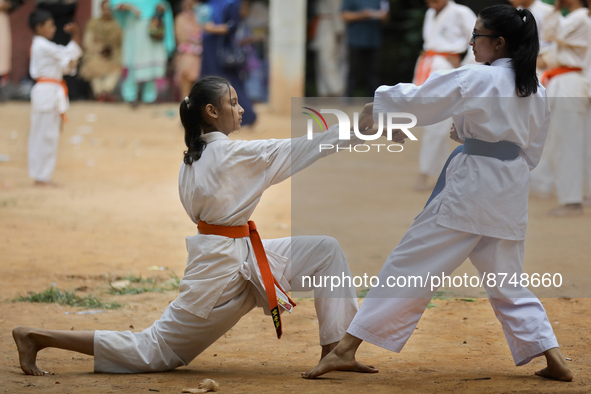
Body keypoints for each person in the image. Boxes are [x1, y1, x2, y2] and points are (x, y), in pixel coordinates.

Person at [12, 76, 402, 375]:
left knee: (324, 251)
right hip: (221, 271)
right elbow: (301, 149)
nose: (241, 109)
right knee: (157, 352)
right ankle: (37, 337)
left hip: (237, 255)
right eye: (233, 103)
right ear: (211, 112)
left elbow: (293, 150)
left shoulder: (192, 160)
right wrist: (362, 128)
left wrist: (361, 129)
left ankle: (335, 350)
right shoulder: (233, 155)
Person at [302, 5, 574, 382]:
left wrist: (375, 105)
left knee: (409, 263)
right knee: (506, 279)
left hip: (472, 186)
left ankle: (345, 349)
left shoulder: (479, 77)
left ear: (498, 43)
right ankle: (554, 356)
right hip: (509, 187)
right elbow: (528, 150)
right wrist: (475, 139)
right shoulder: (536, 88)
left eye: (477, 36)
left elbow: (420, 100)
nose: (472, 43)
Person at [531, 0, 591, 216]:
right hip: (563, 80)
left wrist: (555, 11)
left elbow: (550, 35)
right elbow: (551, 36)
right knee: (575, 141)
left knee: (568, 143)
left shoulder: (582, 17)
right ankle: (581, 195)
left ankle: (572, 201)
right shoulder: (573, 18)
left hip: (570, 82)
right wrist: (556, 10)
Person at [412, 0, 477, 192]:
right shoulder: (430, 14)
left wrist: (465, 64)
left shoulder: (461, 12)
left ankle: (425, 172)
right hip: (430, 67)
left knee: (438, 123)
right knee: (433, 123)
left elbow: (481, 37)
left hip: (449, 71)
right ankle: (441, 172)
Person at [27, 9, 82, 187]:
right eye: (50, 25)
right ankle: (41, 176)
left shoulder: (44, 47)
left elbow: (67, 64)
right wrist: (75, 35)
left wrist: (72, 53)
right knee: (45, 135)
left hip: (51, 91)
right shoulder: (42, 45)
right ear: (39, 27)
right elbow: (67, 55)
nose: (53, 29)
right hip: (47, 92)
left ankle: (42, 175)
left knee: (46, 135)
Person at [200, 0, 257, 127]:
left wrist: (213, 29)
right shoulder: (211, 3)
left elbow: (233, 26)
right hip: (209, 47)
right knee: (206, 82)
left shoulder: (230, 3)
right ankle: (199, 118)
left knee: (228, 84)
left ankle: (247, 117)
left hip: (222, 50)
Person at [110, 0, 175, 106]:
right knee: (133, 64)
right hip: (135, 31)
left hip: (153, 31)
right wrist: (130, 7)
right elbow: (114, 4)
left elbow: (164, 6)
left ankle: (149, 98)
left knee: (152, 64)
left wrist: (161, 9)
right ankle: (130, 96)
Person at [341, 0, 388, 97]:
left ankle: (374, 98)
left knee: (373, 72)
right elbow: (344, 15)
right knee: (353, 71)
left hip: (373, 40)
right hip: (355, 40)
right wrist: (362, 15)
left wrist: (381, 16)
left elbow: (386, 17)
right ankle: (348, 97)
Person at [79, 0, 123, 102]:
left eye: (109, 9)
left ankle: (105, 91)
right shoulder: (93, 23)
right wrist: (99, 49)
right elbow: (87, 42)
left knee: (117, 66)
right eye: (105, 9)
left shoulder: (118, 23)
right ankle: (100, 93)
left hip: (114, 55)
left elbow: (122, 42)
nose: (107, 11)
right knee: (92, 65)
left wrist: (111, 51)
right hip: (97, 54)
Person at [311, 0, 346, 97]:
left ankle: (338, 89)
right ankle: (325, 92)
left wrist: (339, 30)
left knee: (328, 59)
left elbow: (336, 11)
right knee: (322, 61)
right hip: (323, 24)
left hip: (330, 26)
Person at [174, 0, 202, 100]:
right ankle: (186, 105)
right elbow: (181, 38)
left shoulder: (203, 16)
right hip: (186, 54)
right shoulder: (180, 18)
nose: (189, 6)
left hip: (201, 55)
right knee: (186, 66)